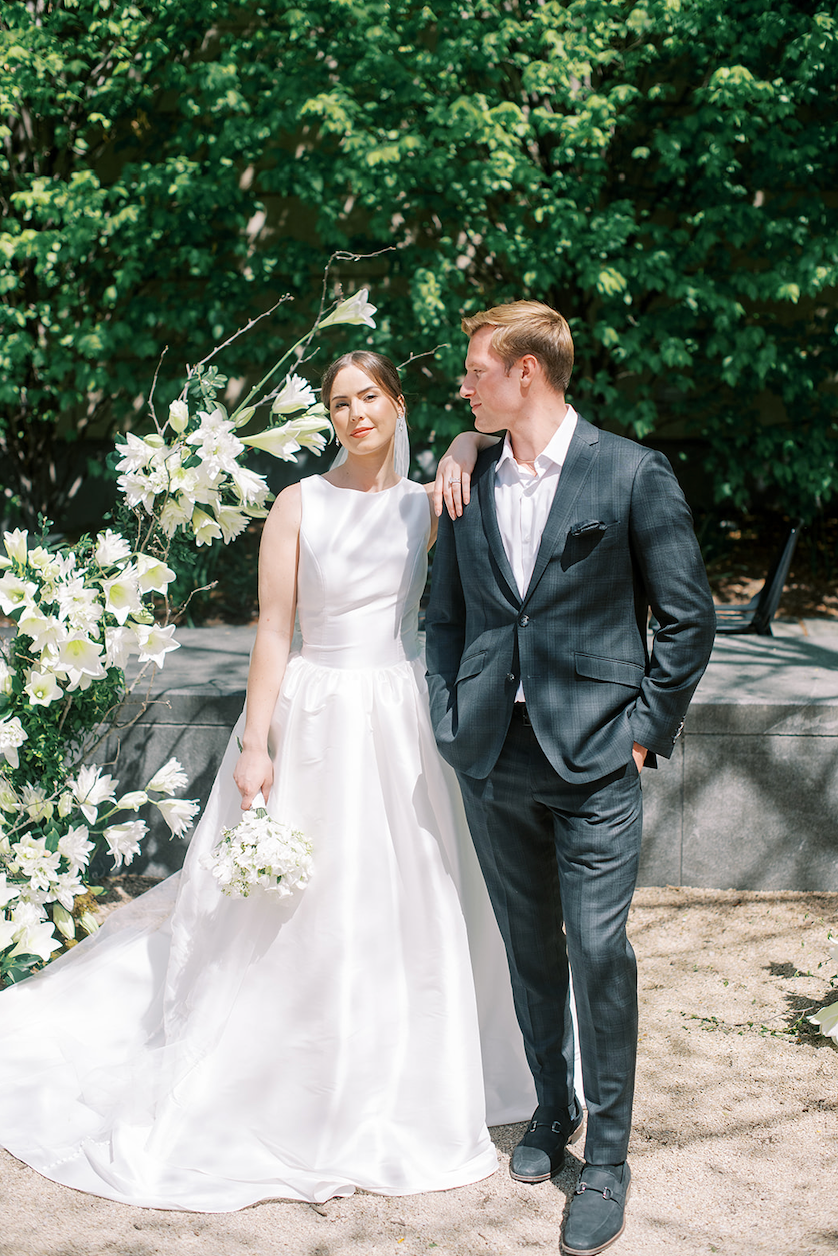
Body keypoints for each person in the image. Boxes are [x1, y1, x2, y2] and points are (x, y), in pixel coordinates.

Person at [0, 351, 536, 1212]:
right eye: (340, 403)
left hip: (398, 714)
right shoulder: (298, 504)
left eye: (370, 397)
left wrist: (466, 443)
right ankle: (292, 1060)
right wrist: (256, 743)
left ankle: (400, 1065)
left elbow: (506, 456)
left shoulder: (425, 504)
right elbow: (275, 631)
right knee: (302, 900)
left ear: (397, 405)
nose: (355, 414)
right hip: (313, 712)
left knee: (406, 890)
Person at [425, 301, 716, 1255]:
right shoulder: (468, 477)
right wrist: (450, 713)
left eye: (476, 370)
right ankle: (553, 1109)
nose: (464, 387)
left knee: (597, 952)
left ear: (526, 373)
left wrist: (643, 731)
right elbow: (446, 614)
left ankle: (610, 1160)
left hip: (597, 759)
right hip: (492, 755)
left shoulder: (630, 471)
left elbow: (687, 617)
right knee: (530, 949)